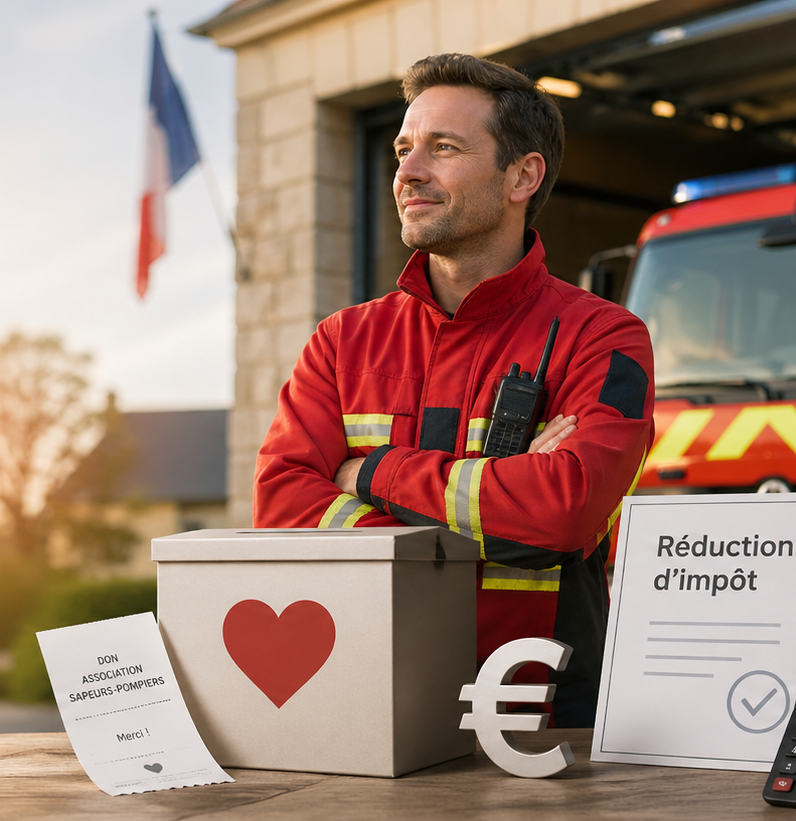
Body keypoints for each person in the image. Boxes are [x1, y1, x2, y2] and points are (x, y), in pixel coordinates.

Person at [253, 53, 655, 727]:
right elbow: (282, 507)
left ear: (523, 175)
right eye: (404, 149)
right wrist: (501, 502)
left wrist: (369, 470)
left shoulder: (604, 338)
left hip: (545, 721)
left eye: (443, 148)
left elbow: (563, 514)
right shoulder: (341, 341)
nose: (408, 171)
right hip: (371, 708)